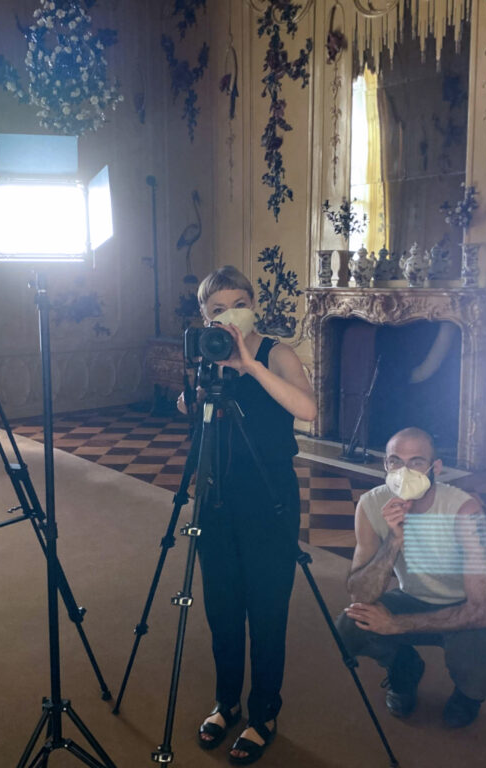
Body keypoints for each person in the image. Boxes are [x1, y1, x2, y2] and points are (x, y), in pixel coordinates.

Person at [176, 265, 316, 765]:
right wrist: (194, 394)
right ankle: (225, 703)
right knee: (223, 609)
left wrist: (250, 366)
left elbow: (308, 409)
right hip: (215, 496)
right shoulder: (205, 355)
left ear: (252, 305)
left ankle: (264, 714)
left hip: (268, 498)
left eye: (238, 303)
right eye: (217, 309)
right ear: (204, 315)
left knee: (267, 609)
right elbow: (203, 419)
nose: (229, 315)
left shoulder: (276, 352)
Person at [336, 427, 486, 728]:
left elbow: (481, 610)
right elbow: (359, 594)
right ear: (385, 465)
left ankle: (467, 696)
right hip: (410, 597)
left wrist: (396, 624)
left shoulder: (466, 511)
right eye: (395, 461)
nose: (404, 471)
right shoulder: (371, 504)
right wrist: (394, 541)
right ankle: (404, 669)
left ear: (435, 468)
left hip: (461, 606)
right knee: (350, 624)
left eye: (416, 462)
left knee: (478, 672)